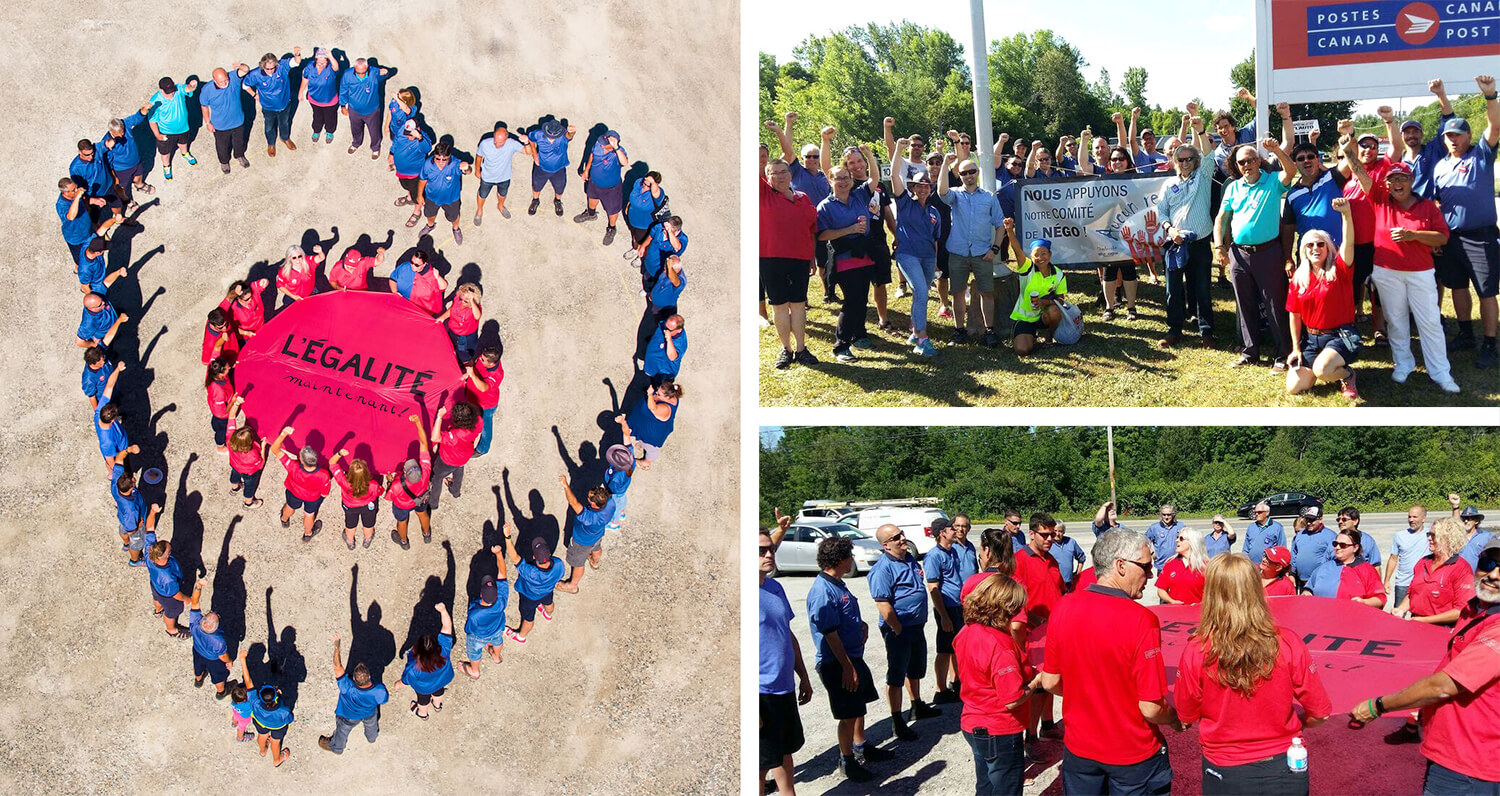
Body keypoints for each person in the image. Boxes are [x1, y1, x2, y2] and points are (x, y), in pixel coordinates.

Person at [1174, 554, 1332, 795]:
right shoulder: (1287, 642)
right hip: (1284, 765)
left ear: (1211, 595)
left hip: (1225, 769)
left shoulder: (1197, 649)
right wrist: (1294, 724)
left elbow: (1186, 713)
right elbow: (1320, 712)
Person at [1348, 540, 1500, 791]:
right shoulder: (1475, 608)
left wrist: (1378, 706)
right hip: (1451, 749)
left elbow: (1444, 686)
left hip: (1470, 762)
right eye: (1488, 564)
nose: (1493, 575)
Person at [1040, 530, 1181, 794]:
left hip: (1080, 751)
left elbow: (1050, 681)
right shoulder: (1141, 619)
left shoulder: (1064, 607)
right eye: (1147, 566)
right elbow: (1150, 707)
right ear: (1120, 565)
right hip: (1132, 756)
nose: (1151, 575)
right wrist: (1174, 718)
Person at [1344, 137, 1459, 392]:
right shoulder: (1380, 199)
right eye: (1392, 180)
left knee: (1429, 321)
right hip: (1386, 271)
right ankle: (1403, 364)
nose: (1397, 184)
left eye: (1402, 179)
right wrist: (1347, 151)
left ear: (1411, 181)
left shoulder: (1427, 206)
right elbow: (1362, 175)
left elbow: (1442, 237)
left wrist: (1414, 235)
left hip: (1420, 272)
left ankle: (1440, 372)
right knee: (1395, 320)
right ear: (1387, 184)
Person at [807, 536, 893, 782]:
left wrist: (861, 625)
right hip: (837, 663)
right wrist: (846, 667)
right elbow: (830, 634)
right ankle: (847, 760)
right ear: (839, 559)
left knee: (858, 707)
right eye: (850, 557)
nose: (852, 560)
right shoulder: (822, 590)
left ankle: (861, 746)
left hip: (853, 657)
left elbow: (844, 617)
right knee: (847, 715)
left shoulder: (838, 583)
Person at [1429, 75, 1500, 368]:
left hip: (1480, 235)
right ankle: (1466, 333)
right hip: (1451, 238)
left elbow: (1495, 126)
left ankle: (1490, 343)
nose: (1453, 139)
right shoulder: (1440, 167)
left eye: (1458, 134)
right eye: (1449, 135)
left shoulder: (1481, 155)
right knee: (1457, 287)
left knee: (1486, 291)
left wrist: (1490, 96)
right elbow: (1435, 202)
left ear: (1469, 136)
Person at [1215, 137, 1297, 370]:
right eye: (1242, 162)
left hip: (1268, 252)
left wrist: (1277, 150)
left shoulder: (1272, 181)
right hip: (1239, 255)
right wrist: (1220, 246)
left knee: (1274, 303)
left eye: (1251, 160)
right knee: (1245, 303)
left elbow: (1291, 170)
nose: (1247, 164)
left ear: (1259, 161)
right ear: (1237, 165)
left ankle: (1283, 353)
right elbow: (1221, 218)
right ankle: (1250, 352)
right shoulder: (1233, 187)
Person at [953, 575, 1031, 796]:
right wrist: (1035, 682)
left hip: (973, 720)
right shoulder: (1000, 645)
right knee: (1006, 788)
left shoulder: (966, 631)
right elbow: (1012, 698)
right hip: (999, 727)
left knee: (985, 784)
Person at [1285, 197, 1361, 398]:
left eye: (1320, 244)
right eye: (1310, 245)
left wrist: (1346, 214)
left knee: (1322, 371)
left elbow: (1349, 242)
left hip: (1339, 335)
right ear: (1304, 251)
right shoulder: (1298, 278)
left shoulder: (1341, 270)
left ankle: (1347, 374)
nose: (1315, 248)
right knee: (1294, 386)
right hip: (1312, 339)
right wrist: (1296, 348)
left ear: (1328, 248)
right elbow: (1294, 314)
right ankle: (1324, 365)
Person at [868, 523, 938, 741]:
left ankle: (916, 704)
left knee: (915, 668)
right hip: (898, 629)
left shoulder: (908, 559)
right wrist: (897, 628)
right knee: (897, 674)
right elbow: (883, 604)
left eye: (902, 534)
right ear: (886, 545)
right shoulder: (882, 569)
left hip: (915, 626)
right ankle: (897, 720)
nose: (903, 538)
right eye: (897, 537)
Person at [937, 149, 1007, 346]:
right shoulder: (955, 195)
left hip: (981, 254)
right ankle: (959, 330)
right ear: (959, 175)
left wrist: (994, 249)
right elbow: (941, 191)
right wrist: (944, 165)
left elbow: (1000, 225)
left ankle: (990, 331)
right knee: (958, 292)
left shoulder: (989, 197)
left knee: (986, 292)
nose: (968, 175)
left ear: (977, 173)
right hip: (958, 252)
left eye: (972, 171)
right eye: (964, 173)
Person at [1079, 127, 1144, 320]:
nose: (1117, 162)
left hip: (1129, 232)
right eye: (1113, 159)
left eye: (1120, 159)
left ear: (1127, 162)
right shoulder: (1102, 174)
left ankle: (1131, 308)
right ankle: (1110, 307)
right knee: (1109, 271)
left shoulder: (1137, 178)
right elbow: (1084, 164)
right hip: (1106, 232)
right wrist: (1083, 140)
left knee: (1129, 270)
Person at [890, 139, 941, 356]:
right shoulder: (904, 203)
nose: (923, 188)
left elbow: (935, 240)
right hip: (907, 255)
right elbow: (893, 176)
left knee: (920, 293)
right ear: (912, 187)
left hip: (928, 257)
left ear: (930, 188)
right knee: (921, 291)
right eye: (919, 185)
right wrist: (899, 150)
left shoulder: (934, 212)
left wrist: (936, 263)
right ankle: (922, 339)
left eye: (926, 185)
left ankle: (913, 330)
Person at [1392, 518, 1476, 627]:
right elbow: (1412, 594)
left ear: (1448, 539)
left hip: (1443, 628)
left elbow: (1461, 610)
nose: (1428, 538)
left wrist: (1425, 620)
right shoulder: (1422, 562)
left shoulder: (1461, 568)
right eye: (1429, 534)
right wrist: (1401, 610)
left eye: (1433, 535)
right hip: (1417, 623)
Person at [1001, 222, 1067, 356]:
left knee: (1054, 311)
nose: (1040, 258)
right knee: (1022, 350)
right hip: (1025, 318)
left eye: (1044, 254)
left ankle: (1049, 337)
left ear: (1050, 254)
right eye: (1036, 255)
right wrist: (1010, 231)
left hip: (1044, 316)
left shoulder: (1058, 274)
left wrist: (1046, 303)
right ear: (1031, 257)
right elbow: (1017, 250)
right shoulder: (1028, 268)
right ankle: (1030, 336)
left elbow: (1061, 300)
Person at [318, 632, 389, 754]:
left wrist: (337, 647)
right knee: (371, 727)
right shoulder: (379, 690)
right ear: (369, 676)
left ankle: (337, 747)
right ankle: (372, 738)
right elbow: (384, 700)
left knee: (342, 732)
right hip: (369, 713)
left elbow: (337, 666)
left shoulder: (347, 686)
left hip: (348, 716)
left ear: (354, 679)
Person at [502, 522, 566, 646]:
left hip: (529, 596)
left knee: (528, 618)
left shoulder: (530, 572)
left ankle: (521, 637)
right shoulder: (558, 564)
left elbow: (515, 557)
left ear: (534, 558)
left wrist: (507, 536)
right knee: (549, 603)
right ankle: (548, 614)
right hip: (547, 591)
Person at [924, 518, 966, 704]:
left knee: (956, 647)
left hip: (958, 606)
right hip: (947, 608)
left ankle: (955, 681)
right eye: (952, 528)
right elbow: (933, 587)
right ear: (942, 532)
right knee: (944, 649)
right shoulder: (934, 556)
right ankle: (940, 690)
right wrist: (943, 616)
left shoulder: (953, 551)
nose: (956, 530)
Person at [554, 475, 613, 594]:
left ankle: (572, 585)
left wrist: (566, 485)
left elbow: (573, 503)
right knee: (596, 548)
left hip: (581, 542)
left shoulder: (589, 517)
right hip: (597, 535)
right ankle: (595, 562)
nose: (587, 498)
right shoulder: (610, 504)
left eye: (589, 498)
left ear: (594, 504)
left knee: (578, 563)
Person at [271, 425, 331, 542]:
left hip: (294, 493)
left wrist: (283, 434)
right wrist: (321, 498)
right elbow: (325, 492)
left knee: (290, 506)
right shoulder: (323, 474)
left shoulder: (293, 466)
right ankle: (307, 534)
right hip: (312, 498)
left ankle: (284, 520)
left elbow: (275, 450)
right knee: (309, 515)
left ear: (302, 461)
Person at [1304, 526, 1386, 607]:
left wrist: (1363, 602)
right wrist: (1307, 593)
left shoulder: (1367, 570)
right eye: (1335, 544)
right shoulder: (1323, 567)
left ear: (1355, 548)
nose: (1337, 547)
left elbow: (1380, 599)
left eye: (1343, 545)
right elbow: (1309, 588)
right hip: (1322, 616)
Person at [459, 546, 508, 679]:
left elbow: (469, 629)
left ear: (481, 594)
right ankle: (496, 656)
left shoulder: (475, 613)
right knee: (497, 641)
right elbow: (503, 574)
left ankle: (474, 670)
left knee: (474, 652)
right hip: (497, 630)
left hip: (478, 637)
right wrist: (499, 554)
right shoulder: (501, 600)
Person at [241, 49, 302, 156]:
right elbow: (245, 85)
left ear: (276, 64)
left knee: (285, 123)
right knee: (269, 126)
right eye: (267, 68)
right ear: (262, 66)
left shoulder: (282, 67)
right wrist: (255, 95)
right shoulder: (255, 74)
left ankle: (285, 138)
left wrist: (297, 54)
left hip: (284, 104)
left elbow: (296, 62)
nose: (270, 71)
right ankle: (271, 144)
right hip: (268, 107)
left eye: (272, 68)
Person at [399, 603, 455, 720]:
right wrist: (444, 611)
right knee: (439, 691)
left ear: (417, 649)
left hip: (424, 688)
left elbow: (405, 680)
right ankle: (437, 705)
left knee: (423, 700)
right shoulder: (443, 650)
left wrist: (398, 684)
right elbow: (447, 627)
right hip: (441, 680)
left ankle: (423, 714)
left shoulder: (414, 666)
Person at [574, 130, 630, 245]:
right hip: (594, 183)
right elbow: (592, 155)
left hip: (611, 189)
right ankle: (591, 214)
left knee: (612, 210)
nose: (600, 145)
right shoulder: (598, 145)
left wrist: (617, 148)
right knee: (591, 199)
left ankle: (611, 228)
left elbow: (624, 163)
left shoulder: (617, 153)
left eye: (604, 143)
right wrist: (586, 170)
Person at [238, 650, 293, 766]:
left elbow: (248, 682)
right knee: (275, 742)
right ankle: (277, 760)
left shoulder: (255, 702)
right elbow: (289, 719)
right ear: (277, 694)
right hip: (277, 727)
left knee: (262, 736)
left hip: (260, 723)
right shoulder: (283, 710)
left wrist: (242, 660)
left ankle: (263, 751)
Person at [386, 415, 432, 548]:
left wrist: (389, 481)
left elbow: (388, 497)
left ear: (405, 473)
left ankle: (404, 541)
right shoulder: (425, 471)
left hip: (402, 505)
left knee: (402, 521)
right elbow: (424, 443)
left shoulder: (396, 484)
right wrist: (418, 422)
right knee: (422, 513)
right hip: (421, 498)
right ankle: (427, 534)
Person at [100, 105, 157, 211]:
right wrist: (113, 176)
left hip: (136, 161)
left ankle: (139, 185)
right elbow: (106, 161)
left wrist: (145, 108)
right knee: (121, 187)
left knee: (139, 175)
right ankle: (127, 200)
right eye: (118, 134)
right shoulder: (107, 143)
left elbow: (137, 117)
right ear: (112, 132)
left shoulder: (125, 124)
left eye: (122, 132)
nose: (122, 136)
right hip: (121, 169)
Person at [70, 137, 132, 232]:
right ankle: (99, 230)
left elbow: (106, 143)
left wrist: (112, 141)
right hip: (93, 195)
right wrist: (92, 200)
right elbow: (79, 190)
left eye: (92, 154)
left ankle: (118, 218)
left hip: (108, 187)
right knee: (94, 217)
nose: (91, 157)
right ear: (79, 152)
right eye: (87, 155)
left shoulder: (97, 149)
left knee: (117, 205)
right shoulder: (75, 168)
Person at [198, 65, 251, 174]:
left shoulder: (233, 78)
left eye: (226, 80)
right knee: (222, 146)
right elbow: (204, 107)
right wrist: (208, 122)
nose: (225, 83)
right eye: (221, 82)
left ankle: (239, 155)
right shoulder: (207, 90)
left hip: (238, 121)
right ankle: (224, 162)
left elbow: (245, 70)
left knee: (239, 142)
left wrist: (240, 66)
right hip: (220, 125)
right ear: (214, 80)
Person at [417, 141, 473, 244]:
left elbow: (468, 171)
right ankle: (430, 226)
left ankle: (456, 229)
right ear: (434, 155)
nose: (441, 161)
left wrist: (467, 167)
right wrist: (419, 195)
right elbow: (422, 180)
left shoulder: (455, 164)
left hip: (451, 199)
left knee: (454, 216)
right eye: (438, 158)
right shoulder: (428, 164)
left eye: (444, 159)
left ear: (449, 156)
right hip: (432, 197)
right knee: (430, 214)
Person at [427, 403, 480, 512]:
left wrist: (439, 417)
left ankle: (433, 503)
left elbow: (435, 437)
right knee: (459, 468)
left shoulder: (455, 435)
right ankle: (455, 491)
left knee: (436, 478)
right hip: (465, 455)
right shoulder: (478, 422)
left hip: (448, 459)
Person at [330, 449, 385, 550]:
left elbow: (332, 464)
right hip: (368, 506)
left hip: (350, 506)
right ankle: (367, 539)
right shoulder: (372, 484)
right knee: (369, 523)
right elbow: (380, 492)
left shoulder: (343, 481)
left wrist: (339, 454)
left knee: (350, 524)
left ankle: (350, 541)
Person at [147, 76, 199, 180]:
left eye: (172, 91)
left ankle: (185, 154)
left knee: (183, 143)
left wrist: (192, 85)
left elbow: (188, 88)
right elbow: (152, 121)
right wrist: (157, 135)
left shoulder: (178, 89)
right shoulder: (155, 102)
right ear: (161, 90)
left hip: (183, 128)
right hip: (166, 132)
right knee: (165, 152)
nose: (171, 94)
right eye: (168, 92)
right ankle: (166, 166)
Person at [473, 122, 527, 223]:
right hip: (487, 177)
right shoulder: (485, 143)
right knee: (482, 194)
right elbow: (479, 156)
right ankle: (479, 210)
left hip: (504, 177)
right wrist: (477, 170)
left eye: (500, 143)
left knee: (502, 194)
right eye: (495, 141)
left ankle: (500, 206)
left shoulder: (512, 143)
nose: (496, 145)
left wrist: (528, 142)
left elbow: (528, 152)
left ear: (506, 139)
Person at [186, 582, 233, 698]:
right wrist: (229, 661)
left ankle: (198, 679)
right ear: (216, 627)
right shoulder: (219, 640)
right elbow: (222, 656)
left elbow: (195, 602)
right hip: (213, 660)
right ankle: (221, 692)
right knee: (218, 676)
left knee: (197, 666)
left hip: (197, 651)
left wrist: (198, 586)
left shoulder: (195, 623)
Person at [338, 58, 392, 158]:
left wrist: (386, 72)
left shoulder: (374, 72)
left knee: (374, 130)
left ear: (367, 68)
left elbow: (384, 76)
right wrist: (342, 105)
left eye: (363, 72)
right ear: (354, 68)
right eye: (358, 72)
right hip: (354, 109)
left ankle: (375, 148)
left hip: (372, 110)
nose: (361, 75)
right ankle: (356, 143)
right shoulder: (347, 75)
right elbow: (343, 90)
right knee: (355, 129)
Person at [621, 382, 679, 469]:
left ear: (667, 397)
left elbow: (653, 408)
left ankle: (646, 462)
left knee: (652, 450)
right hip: (652, 427)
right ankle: (643, 445)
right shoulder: (672, 396)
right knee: (645, 443)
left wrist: (650, 394)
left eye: (659, 394)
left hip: (650, 434)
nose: (656, 394)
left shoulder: (665, 409)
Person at [525, 120, 577, 217]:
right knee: (536, 186)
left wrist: (572, 132)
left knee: (560, 188)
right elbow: (531, 139)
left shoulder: (563, 137)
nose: (551, 138)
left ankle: (557, 201)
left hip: (559, 168)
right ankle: (535, 200)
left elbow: (569, 136)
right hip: (541, 168)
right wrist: (535, 154)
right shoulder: (538, 134)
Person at [110, 465, 160, 567]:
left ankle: (126, 544)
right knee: (137, 543)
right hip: (134, 524)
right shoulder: (131, 510)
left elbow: (118, 462)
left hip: (122, 517)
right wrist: (139, 525)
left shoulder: (117, 486)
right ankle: (135, 560)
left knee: (122, 529)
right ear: (130, 487)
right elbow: (131, 530)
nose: (134, 478)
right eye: (132, 480)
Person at [146, 540, 195, 639]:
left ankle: (158, 611)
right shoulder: (168, 579)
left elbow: (149, 530)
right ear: (166, 555)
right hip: (168, 597)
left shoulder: (149, 555)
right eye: (169, 551)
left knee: (156, 598)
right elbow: (176, 594)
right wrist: (186, 599)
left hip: (156, 586)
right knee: (171, 613)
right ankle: (172, 630)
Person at [225, 396, 266, 509]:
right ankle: (248, 503)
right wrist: (263, 447)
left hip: (234, 465)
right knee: (250, 486)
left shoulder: (230, 438)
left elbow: (231, 417)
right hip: (249, 473)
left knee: (234, 475)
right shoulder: (252, 454)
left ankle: (235, 488)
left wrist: (236, 404)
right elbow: (260, 464)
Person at [392, 119, 435, 227]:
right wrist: (391, 153)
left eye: (411, 135)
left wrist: (419, 138)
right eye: (407, 134)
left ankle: (417, 211)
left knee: (418, 194)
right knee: (406, 186)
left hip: (415, 175)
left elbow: (428, 148)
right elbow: (396, 141)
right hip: (401, 172)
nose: (408, 137)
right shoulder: (403, 130)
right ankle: (409, 198)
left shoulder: (422, 139)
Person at [464, 346, 504, 456]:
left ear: (491, 363)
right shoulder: (486, 359)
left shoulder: (495, 375)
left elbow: (483, 388)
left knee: (486, 426)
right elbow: (475, 363)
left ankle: (483, 448)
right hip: (473, 398)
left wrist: (471, 374)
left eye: (483, 360)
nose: (480, 360)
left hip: (486, 405)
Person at [1389, 506, 1431, 608]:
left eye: (1415, 517)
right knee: (1398, 614)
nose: (1411, 520)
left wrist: (1455, 507)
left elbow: (1452, 529)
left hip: (1423, 582)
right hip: (1403, 583)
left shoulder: (1430, 535)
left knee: (1421, 614)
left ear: (1423, 518)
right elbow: (1393, 559)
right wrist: (1386, 581)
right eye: (1409, 517)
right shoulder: (1399, 536)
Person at [1157, 527, 1210, 604]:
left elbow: (1214, 593)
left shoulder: (1207, 566)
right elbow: (1161, 590)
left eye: (1181, 538)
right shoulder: (1170, 563)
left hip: (1198, 612)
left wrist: (1201, 604)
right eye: (1177, 537)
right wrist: (1172, 601)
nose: (1177, 540)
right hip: (1175, 612)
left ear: (1192, 542)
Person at [300, 48, 341, 144]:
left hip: (329, 101)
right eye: (319, 63)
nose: (322, 65)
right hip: (314, 99)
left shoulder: (330, 68)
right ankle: (316, 131)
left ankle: (330, 132)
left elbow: (336, 67)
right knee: (317, 117)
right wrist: (300, 92)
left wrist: (330, 55)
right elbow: (305, 79)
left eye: (324, 63)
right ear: (315, 60)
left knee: (330, 117)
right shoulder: (310, 66)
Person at [1289, 506, 1336, 589]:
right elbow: (1294, 555)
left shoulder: (1330, 536)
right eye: (1307, 520)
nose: (1308, 523)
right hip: (1300, 581)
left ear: (1320, 519)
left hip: (1321, 582)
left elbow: (1333, 560)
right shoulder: (1300, 535)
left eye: (1312, 520)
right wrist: (1292, 574)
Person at [389, 250, 447, 316]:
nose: (412, 266)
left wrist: (438, 277)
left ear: (424, 264)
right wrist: (394, 292)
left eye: (416, 265)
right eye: (411, 262)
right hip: (402, 306)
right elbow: (393, 279)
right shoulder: (405, 266)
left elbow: (443, 286)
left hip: (420, 313)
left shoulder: (431, 275)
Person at [437, 283, 484, 364]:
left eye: (466, 301)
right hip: (453, 331)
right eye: (461, 299)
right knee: (451, 345)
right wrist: (442, 318)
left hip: (465, 337)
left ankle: (466, 366)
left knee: (464, 353)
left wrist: (471, 301)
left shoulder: (474, 309)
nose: (462, 302)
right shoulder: (458, 299)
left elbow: (477, 316)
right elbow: (452, 309)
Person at [625, 171, 669, 255]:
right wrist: (628, 206)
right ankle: (635, 249)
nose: (644, 186)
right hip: (632, 219)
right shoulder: (639, 183)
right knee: (634, 236)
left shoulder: (657, 195)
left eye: (648, 185)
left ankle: (642, 256)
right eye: (644, 183)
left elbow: (656, 192)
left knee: (644, 243)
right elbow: (632, 196)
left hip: (644, 225)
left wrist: (652, 182)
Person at [274, 245, 323, 310]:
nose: (297, 260)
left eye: (299, 256)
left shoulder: (308, 262)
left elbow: (321, 258)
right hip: (292, 298)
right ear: (289, 259)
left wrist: (320, 251)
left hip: (310, 294)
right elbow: (280, 286)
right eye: (294, 258)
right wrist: (294, 296)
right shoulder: (284, 271)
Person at [205, 357, 236, 453]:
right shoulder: (219, 391)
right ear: (220, 373)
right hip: (221, 416)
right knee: (222, 431)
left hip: (216, 412)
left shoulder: (215, 375)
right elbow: (222, 412)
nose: (229, 368)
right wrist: (233, 401)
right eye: (227, 368)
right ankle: (220, 447)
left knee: (217, 424)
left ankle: (215, 427)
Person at [1146, 504, 1186, 569]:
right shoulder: (1154, 528)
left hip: (1177, 563)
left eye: (1169, 515)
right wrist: (1151, 551)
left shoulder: (1180, 526)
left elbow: (1188, 541)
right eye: (1164, 515)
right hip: (1161, 565)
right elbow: (1145, 541)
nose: (1166, 517)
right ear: (1161, 515)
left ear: (1173, 515)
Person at [82, 342, 119, 411]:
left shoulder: (99, 354)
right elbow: (92, 397)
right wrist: (98, 412)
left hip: (114, 388)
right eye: (100, 362)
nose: (104, 362)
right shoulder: (89, 379)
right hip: (106, 399)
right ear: (93, 363)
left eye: (103, 358)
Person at [1049, 521, 1086, 592]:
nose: (1057, 534)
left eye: (1060, 531)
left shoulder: (1071, 542)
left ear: (1064, 532)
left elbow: (1081, 557)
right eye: (1055, 531)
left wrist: (1078, 572)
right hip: (1054, 583)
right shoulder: (1048, 544)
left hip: (1068, 583)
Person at [1457, 506, 1493, 571]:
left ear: (1476, 521)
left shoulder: (1486, 536)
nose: (1465, 521)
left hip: (1476, 577)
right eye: (1464, 518)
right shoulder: (1457, 536)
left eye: (1469, 518)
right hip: (1459, 577)